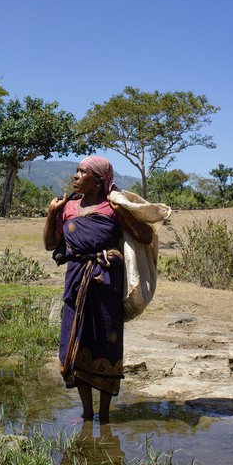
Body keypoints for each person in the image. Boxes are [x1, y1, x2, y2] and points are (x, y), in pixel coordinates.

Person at [43, 155, 152, 422]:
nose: (76, 176)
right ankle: (87, 412)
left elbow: (146, 236)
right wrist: (51, 214)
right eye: (76, 171)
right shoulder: (67, 207)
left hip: (105, 283)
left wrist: (122, 208)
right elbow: (49, 244)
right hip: (76, 281)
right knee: (75, 342)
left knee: (106, 342)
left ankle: (104, 414)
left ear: (99, 181)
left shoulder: (112, 208)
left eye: (82, 173)